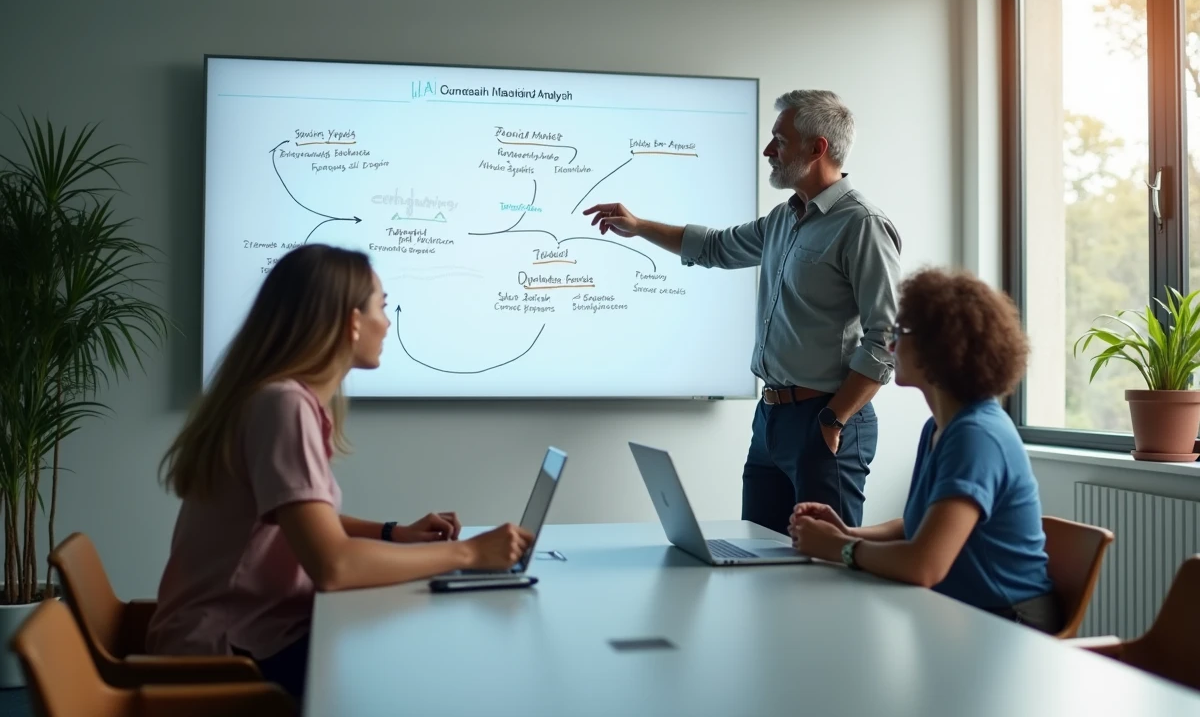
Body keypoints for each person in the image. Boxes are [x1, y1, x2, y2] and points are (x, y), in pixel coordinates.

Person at [147, 244, 533, 703]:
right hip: (227, 658)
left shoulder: (276, 398)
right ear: (352, 322)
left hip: (245, 635)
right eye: (382, 307)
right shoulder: (283, 406)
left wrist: (393, 533)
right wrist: (469, 554)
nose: (387, 323)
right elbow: (333, 566)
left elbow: (293, 519)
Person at [583, 90, 901, 533]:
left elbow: (886, 338)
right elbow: (714, 246)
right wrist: (638, 227)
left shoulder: (861, 224)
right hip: (771, 420)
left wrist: (832, 420)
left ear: (818, 148)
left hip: (827, 420)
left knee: (826, 570)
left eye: (779, 140)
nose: (769, 151)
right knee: (758, 556)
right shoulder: (782, 219)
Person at [789, 268, 1063, 634]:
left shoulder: (977, 436)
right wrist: (847, 534)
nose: (890, 346)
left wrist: (839, 549)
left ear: (941, 345)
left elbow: (924, 564)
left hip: (1009, 625)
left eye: (900, 334)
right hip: (965, 613)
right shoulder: (939, 428)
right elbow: (922, 525)